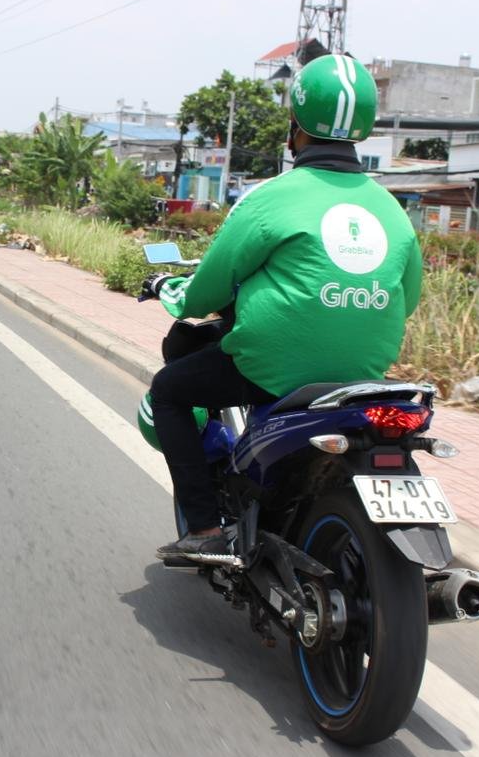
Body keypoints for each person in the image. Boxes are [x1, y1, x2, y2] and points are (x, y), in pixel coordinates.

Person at [142, 54, 423, 561]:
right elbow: (411, 300)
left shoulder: (271, 197)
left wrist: (172, 292)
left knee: (169, 392)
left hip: (272, 369)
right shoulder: (392, 210)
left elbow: (207, 291)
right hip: (361, 375)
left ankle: (204, 529)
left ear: (295, 127)